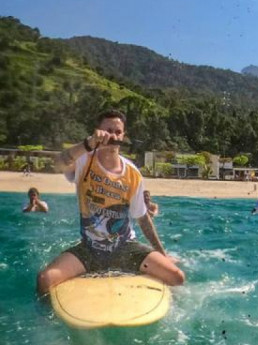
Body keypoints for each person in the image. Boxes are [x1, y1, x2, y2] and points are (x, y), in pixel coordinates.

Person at [36, 109, 185, 296]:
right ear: (97, 131)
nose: (113, 136)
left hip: (125, 248)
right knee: (45, 280)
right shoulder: (83, 160)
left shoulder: (132, 174)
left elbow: (142, 218)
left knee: (176, 277)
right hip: (90, 248)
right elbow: (59, 163)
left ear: (123, 136)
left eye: (118, 132)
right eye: (108, 131)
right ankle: (47, 322)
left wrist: (162, 254)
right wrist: (89, 144)